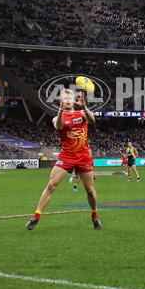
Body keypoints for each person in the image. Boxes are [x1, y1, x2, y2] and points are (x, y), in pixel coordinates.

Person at [26, 88, 101, 231]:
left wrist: (84, 107)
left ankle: (95, 217)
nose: (67, 101)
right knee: (51, 185)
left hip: (83, 155)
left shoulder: (81, 113)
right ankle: (36, 217)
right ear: (60, 102)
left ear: (74, 100)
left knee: (90, 190)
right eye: (64, 99)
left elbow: (93, 120)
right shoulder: (57, 117)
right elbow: (59, 126)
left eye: (69, 98)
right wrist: (61, 111)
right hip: (66, 155)